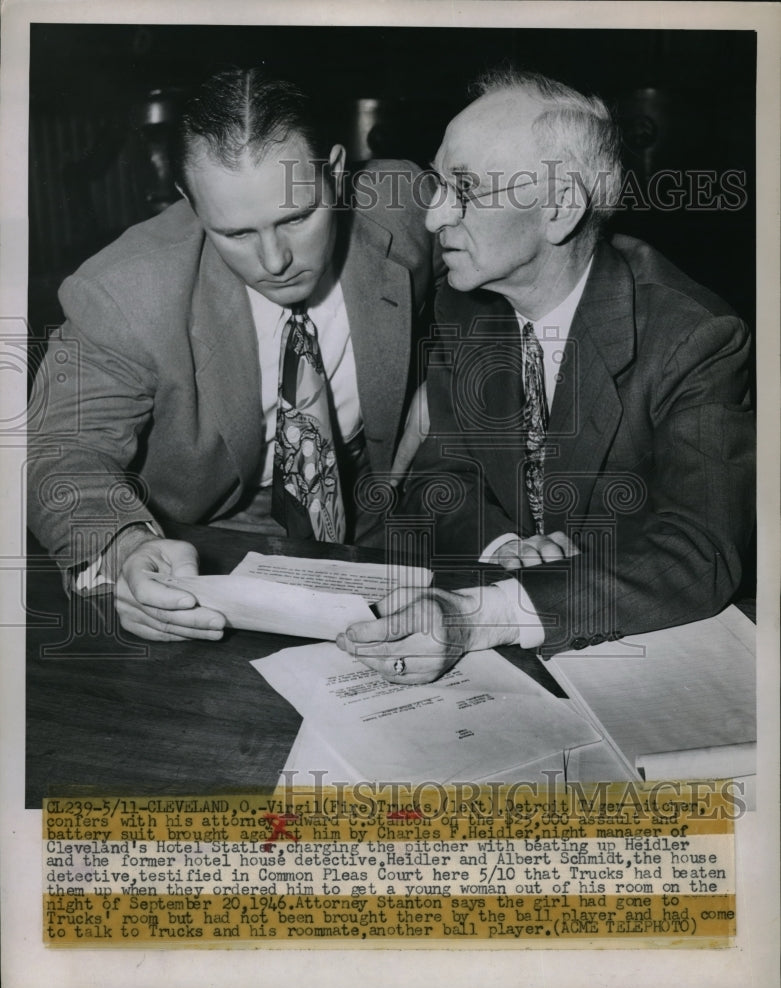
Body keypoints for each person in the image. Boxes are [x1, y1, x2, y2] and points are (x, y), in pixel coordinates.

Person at [338, 68, 754, 684]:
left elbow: (700, 553)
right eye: (437, 182)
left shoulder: (694, 336)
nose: (431, 219)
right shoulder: (463, 304)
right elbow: (439, 474)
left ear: (559, 208)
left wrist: (486, 615)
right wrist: (501, 547)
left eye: (465, 189)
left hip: (645, 657)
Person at [27, 69, 439, 642]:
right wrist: (124, 545)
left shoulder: (405, 208)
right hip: (204, 541)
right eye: (237, 234)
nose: (275, 261)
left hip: (383, 515)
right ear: (191, 206)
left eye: (297, 218)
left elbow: (523, 273)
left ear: (338, 173)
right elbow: (56, 455)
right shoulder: (122, 293)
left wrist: (443, 386)